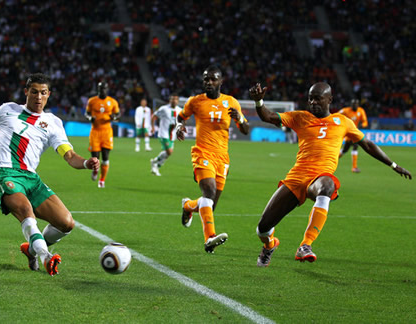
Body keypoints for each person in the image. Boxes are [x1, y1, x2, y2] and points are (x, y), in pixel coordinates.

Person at [0, 73, 100, 276]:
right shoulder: (8, 109)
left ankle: (31, 250)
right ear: (26, 92)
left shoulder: (53, 123)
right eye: (34, 92)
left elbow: (69, 156)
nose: (38, 97)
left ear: (49, 94)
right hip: (4, 172)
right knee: (25, 209)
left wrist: (86, 163)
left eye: (43, 93)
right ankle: (45, 257)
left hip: (31, 178)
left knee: (66, 223)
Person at [248, 82, 412, 267]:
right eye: (310, 98)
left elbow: (368, 144)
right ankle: (270, 245)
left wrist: (393, 164)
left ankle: (306, 245)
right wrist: (259, 101)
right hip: (296, 178)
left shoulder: (343, 122)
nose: (313, 102)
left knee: (327, 185)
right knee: (262, 228)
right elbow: (268, 116)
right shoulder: (300, 117)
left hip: (318, 178)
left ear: (329, 99)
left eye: (317, 98)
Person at [176, 65, 250, 253]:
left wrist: (240, 119)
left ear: (220, 81)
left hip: (222, 158)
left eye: (213, 79)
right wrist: (179, 126)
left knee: (210, 204)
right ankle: (209, 238)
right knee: (208, 190)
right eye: (206, 79)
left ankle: (188, 205)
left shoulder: (231, 102)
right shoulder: (196, 101)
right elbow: (181, 116)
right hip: (202, 153)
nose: (209, 82)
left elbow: (245, 130)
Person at [85, 81, 120, 188]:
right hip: (95, 131)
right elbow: (87, 113)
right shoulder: (92, 101)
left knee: (105, 157)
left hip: (107, 132)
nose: (102, 90)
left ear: (107, 89)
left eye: (104, 88)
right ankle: (95, 170)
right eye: (100, 89)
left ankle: (102, 180)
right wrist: (90, 118)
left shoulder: (112, 102)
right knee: (95, 158)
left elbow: (118, 114)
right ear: (98, 89)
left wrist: (114, 117)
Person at [150, 94, 182, 176]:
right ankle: (155, 163)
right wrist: (153, 127)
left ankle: (155, 164)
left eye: (175, 99)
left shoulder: (180, 110)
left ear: (178, 101)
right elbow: (154, 116)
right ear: (169, 100)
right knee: (169, 151)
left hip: (172, 135)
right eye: (172, 99)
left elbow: (182, 120)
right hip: (163, 133)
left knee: (168, 154)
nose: (174, 101)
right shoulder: (164, 108)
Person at [338, 99, 368, 173]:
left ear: (358, 105)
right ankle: (354, 167)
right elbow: (336, 115)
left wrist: (362, 125)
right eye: (353, 104)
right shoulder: (345, 110)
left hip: (355, 132)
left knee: (346, 149)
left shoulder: (361, 111)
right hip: (348, 132)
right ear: (351, 105)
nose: (354, 105)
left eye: (356, 104)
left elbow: (365, 122)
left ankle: (332, 160)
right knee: (353, 147)